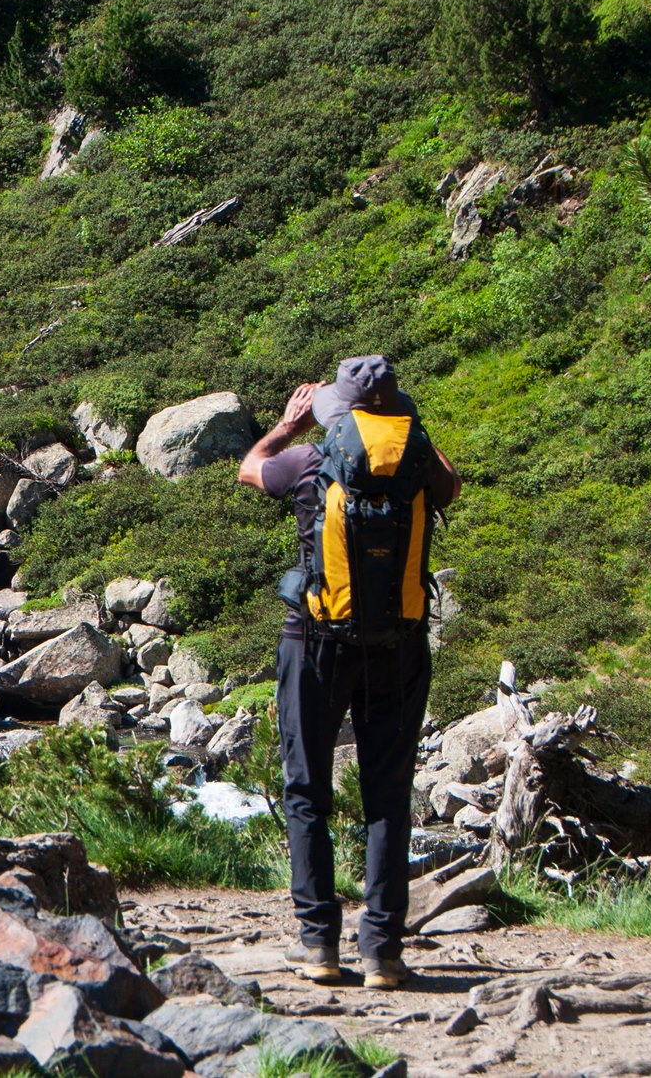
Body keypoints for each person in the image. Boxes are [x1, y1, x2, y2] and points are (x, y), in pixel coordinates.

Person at [238, 354, 460, 990]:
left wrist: (286, 425)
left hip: (314, 642)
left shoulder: (310, 461)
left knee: (307, 788)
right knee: (387, 795)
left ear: (336, 409)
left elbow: (249, 468)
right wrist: (409, 426)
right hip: (399, 644)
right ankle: (382, 954)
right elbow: (453, 483)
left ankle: (318, 946)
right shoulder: (420, 465)